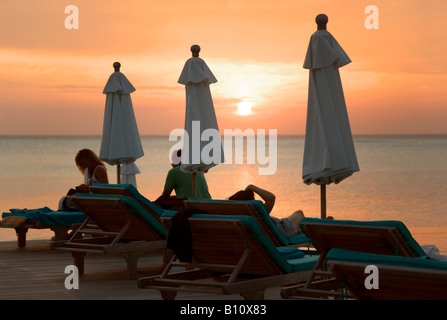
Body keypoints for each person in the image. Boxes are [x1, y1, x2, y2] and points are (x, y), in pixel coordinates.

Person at [228, 184, 306, 237]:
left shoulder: (235, 218)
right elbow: (271, 198)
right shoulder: (258, 215)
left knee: (300, 225)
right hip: (284, 227)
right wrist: (251, 187)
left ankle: (298, 229)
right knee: (299, 213)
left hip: (278, 224)